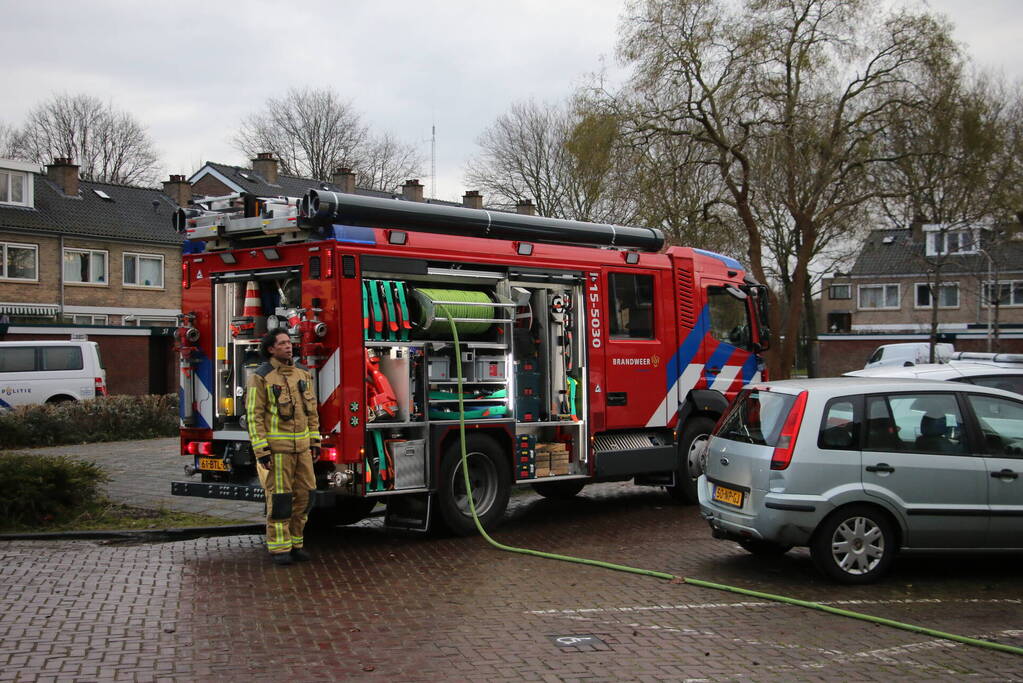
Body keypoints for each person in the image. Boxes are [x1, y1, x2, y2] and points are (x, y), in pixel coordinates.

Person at [246, 329, 320, 566]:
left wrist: (315, 441)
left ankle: (296, 543)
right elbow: (254, 416)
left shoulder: (302, 374)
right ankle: (279, 548)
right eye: (282, 343)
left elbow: (312, 412)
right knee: (280, 500)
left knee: (306, 496)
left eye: (290, 342)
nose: (289, 347)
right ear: (271, 349)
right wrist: (262, 451)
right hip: (277, 452)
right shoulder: (261, 377)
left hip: (303, 450)